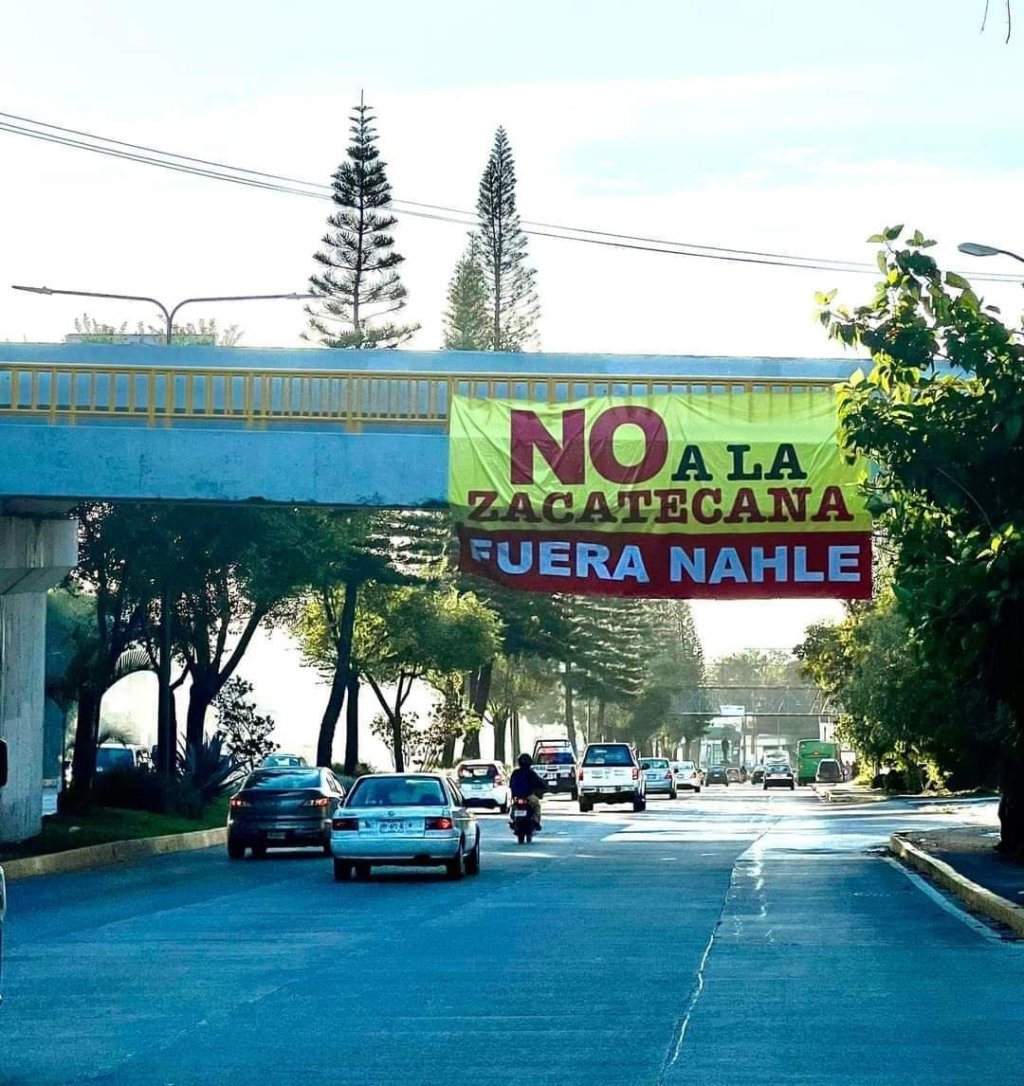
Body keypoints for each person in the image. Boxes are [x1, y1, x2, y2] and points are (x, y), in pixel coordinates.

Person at [509, 752, 547, 830]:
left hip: (517, 796)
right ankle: (536, 821)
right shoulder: (531, 773)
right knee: (536, 804)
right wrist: (544, 785)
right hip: (528, 795)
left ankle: (513, 820)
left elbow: (511, 784)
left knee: (513, 806)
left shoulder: (515, 772)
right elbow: (539, 781)